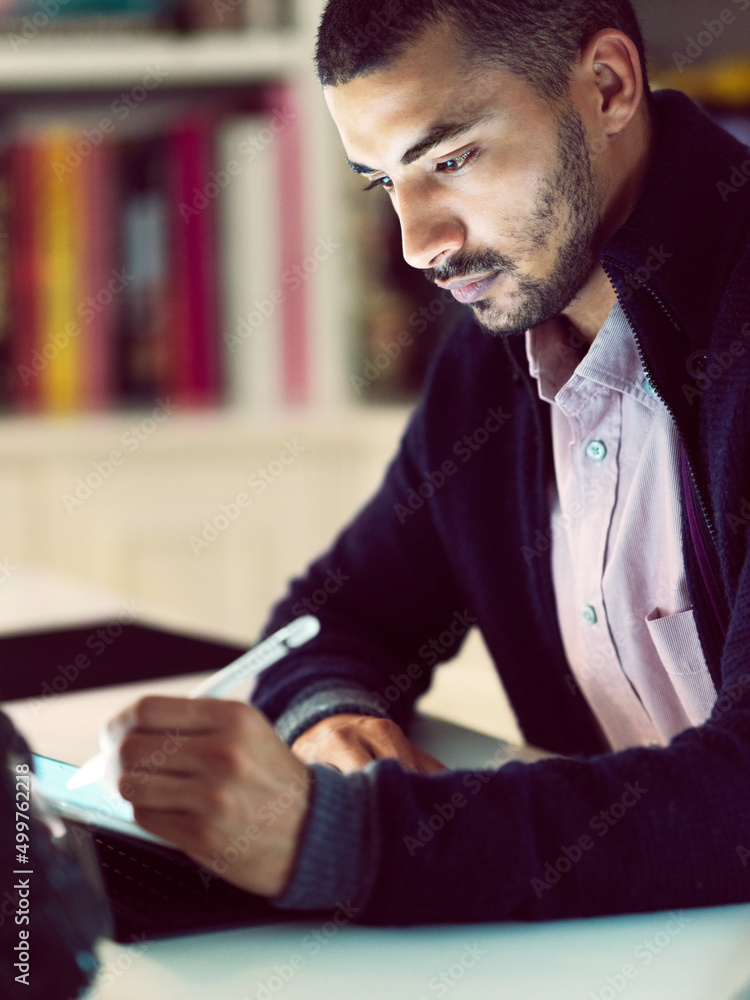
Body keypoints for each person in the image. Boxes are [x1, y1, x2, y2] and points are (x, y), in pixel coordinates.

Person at [107, 0, 750, 923]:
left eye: (451, 160)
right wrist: (330, 721)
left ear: (608, 86)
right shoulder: (503, 342)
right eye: (382, 183)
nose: (419, 246)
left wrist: (341, 835)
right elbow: (336, 616)